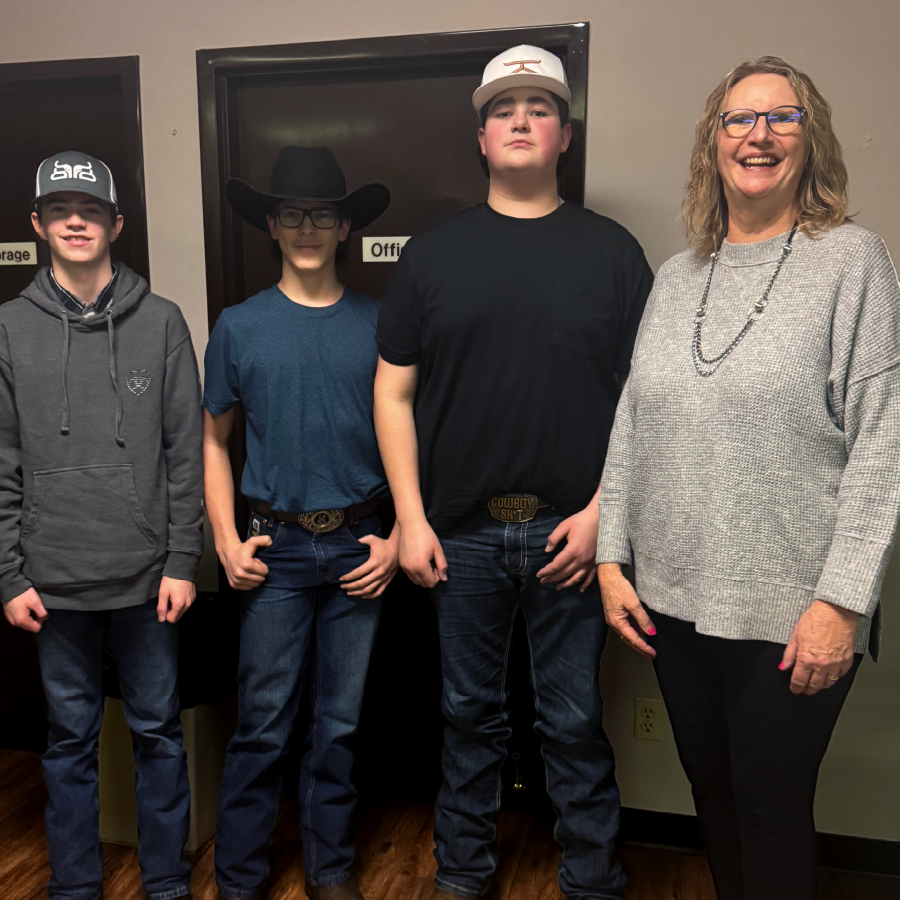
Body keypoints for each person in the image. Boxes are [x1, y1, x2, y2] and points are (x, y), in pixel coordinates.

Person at [596, 56, 900, 900]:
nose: (758, 134)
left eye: (782, 117)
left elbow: (883, 443)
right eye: (739, 119)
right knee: (715, 795)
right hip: (673, 600)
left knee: (769, 808)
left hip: (792, 609)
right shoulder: (676, 278)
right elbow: (632, 423)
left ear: (811, 138)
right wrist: (612, 559)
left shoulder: (852, 262)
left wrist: (842, 602)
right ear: (714, 143)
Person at [375, 46, 653, 900]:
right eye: (504, 109)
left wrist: (606, 513)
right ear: (482, 137)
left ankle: (592, 882)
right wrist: (410, 519)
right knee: (468, 717)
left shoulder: (614, 254)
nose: (522, 121)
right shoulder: (431, 255)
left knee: (572, 722)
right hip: (458, 535)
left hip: (575, 532)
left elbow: (647, 401)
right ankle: (462, 878)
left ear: (564, 135)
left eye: (540, 108)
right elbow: (392, 392)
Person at [0, 151, 204, 900]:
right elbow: (0, 460)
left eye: (90, 210)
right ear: (38, 224)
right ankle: (75, 886)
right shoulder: (7, 329)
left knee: (158, 734)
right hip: (51, 581)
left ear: (117, 224)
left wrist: (182, 560)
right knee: (68, 744)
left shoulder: (162, 322)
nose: (76, 222)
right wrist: (7, 574)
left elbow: (185, 453)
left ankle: (167, 883)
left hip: (148, 580)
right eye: (60, 210)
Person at [204, 146, 399, 900]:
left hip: (359, 546)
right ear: (272, 226)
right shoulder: (239, 326)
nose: (308, 227)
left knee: (338, 724)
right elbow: (214, 442)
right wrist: (224, 538)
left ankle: (330, 868)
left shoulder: (380, 325)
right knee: (262, 723)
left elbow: (413, 435)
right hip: (273, 549)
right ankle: (239, 876)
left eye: (322, 214)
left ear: (346, 227)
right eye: (292, 214)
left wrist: (398, 537)